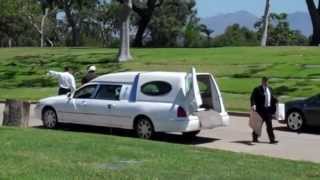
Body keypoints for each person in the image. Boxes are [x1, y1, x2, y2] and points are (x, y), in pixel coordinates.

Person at [250, 77, 278, 144]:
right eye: (265, 82)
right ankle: (255, 137)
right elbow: (252, 97)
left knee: (269, 125)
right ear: (262, 82)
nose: (266, 83)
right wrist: (253, 105)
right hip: (260, 111)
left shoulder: (270, 89)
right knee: (258, 125)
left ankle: (272, 139)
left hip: (268, 110)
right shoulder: (257, 89)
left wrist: (276, 100)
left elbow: (272, 98)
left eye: (267, 82)